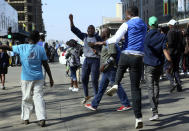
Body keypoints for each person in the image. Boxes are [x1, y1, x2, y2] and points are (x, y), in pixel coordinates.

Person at [95, 6, 147, 129]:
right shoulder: (144, 25)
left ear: (128, 14)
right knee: (135, 88)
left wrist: (104, 42)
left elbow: (115, 39)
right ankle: (138, 118)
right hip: (138, 57)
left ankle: (116, 84)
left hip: (126, 54)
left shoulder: (127, 24)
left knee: (120, 69)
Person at [0, 30, 54, 127]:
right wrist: (50, 78)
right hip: (39, 78)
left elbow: (6, 47)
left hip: (26, 78)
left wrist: (1, 46)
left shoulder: (21, 47)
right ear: (38, 39)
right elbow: (46, 65)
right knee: (39, 98)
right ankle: (41, 118)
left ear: (28, 39)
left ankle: (26, 118)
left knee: (26, 98)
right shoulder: (41, 49)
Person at [84, 27, 132, 111]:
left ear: (105, 34)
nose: (100, 34)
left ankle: (126, 104)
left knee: (116, 86)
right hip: (106, 70)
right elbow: (106, 55)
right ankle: (94, 105)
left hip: (110, 69)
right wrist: (98, 53)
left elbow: (113, 56)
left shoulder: (110, 42)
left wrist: (104, 65)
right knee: (101, 89)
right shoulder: (106, 43)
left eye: (101, 33)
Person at [144, 16, 172, 121]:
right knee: (156, 86)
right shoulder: (162, 36)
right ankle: (155, 108)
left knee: (150, 88)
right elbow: (165, 49)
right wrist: (169, 62)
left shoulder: (146, 36)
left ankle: (154, 111)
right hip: (159, 65)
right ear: (157, 24)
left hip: (149, 65)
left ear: (149, 25)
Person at [69, 14, 102, 104]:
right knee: (83, 78)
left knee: (94, 80)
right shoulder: (84, 36)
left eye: (92, 29)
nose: (90, 30)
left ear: (94, 31)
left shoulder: (98, 38)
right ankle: (86, 95)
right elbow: (74, 30)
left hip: (95, 60)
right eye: (89, 29)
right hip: (87, 60)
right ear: (87, 31)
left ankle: (96, 98)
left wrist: (96, 48)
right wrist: (71, 20)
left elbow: (103, 49)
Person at [166, 19, 184, 92]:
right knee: (176, 70)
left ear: (171, 25)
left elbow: (169, 44)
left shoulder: (170, 32)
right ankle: (179, 86)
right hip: (178, 53)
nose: (169, 26)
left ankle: (172, 83)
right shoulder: (179, 32)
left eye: (169, 25)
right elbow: (182, 43)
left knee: (167, 70)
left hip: (171, 53)